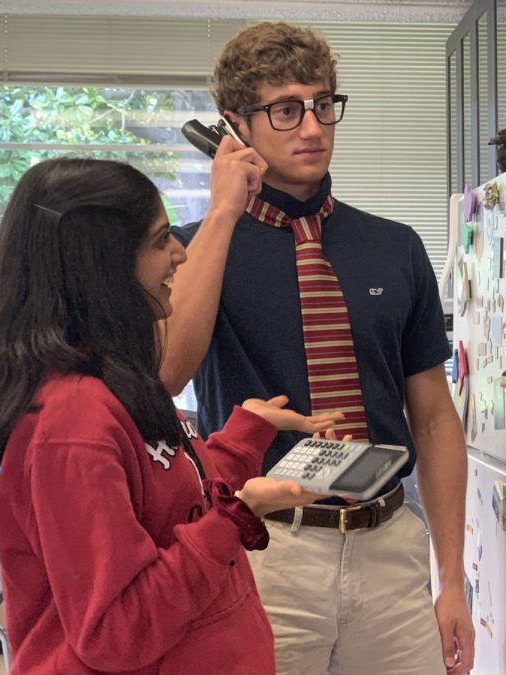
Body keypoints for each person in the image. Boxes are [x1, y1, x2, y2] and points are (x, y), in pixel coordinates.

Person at [160, 21, 473, 674]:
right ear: (235, 125)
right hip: (265, 547)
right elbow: (167, 370)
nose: (312, 127)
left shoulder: (394, 245)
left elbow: (436, 419)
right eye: (285, 109)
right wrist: (223, 210)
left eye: (323, 104)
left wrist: (452, 579)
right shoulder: (194, 247)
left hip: (389, 542)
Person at [0, 158, 345, 673]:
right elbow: (118, 629)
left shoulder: (112, 383)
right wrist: (237, 519)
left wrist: (244, 439)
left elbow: (173, 500)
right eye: (159, 241)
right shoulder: (72, 427)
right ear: (101, 266)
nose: (180, 253)